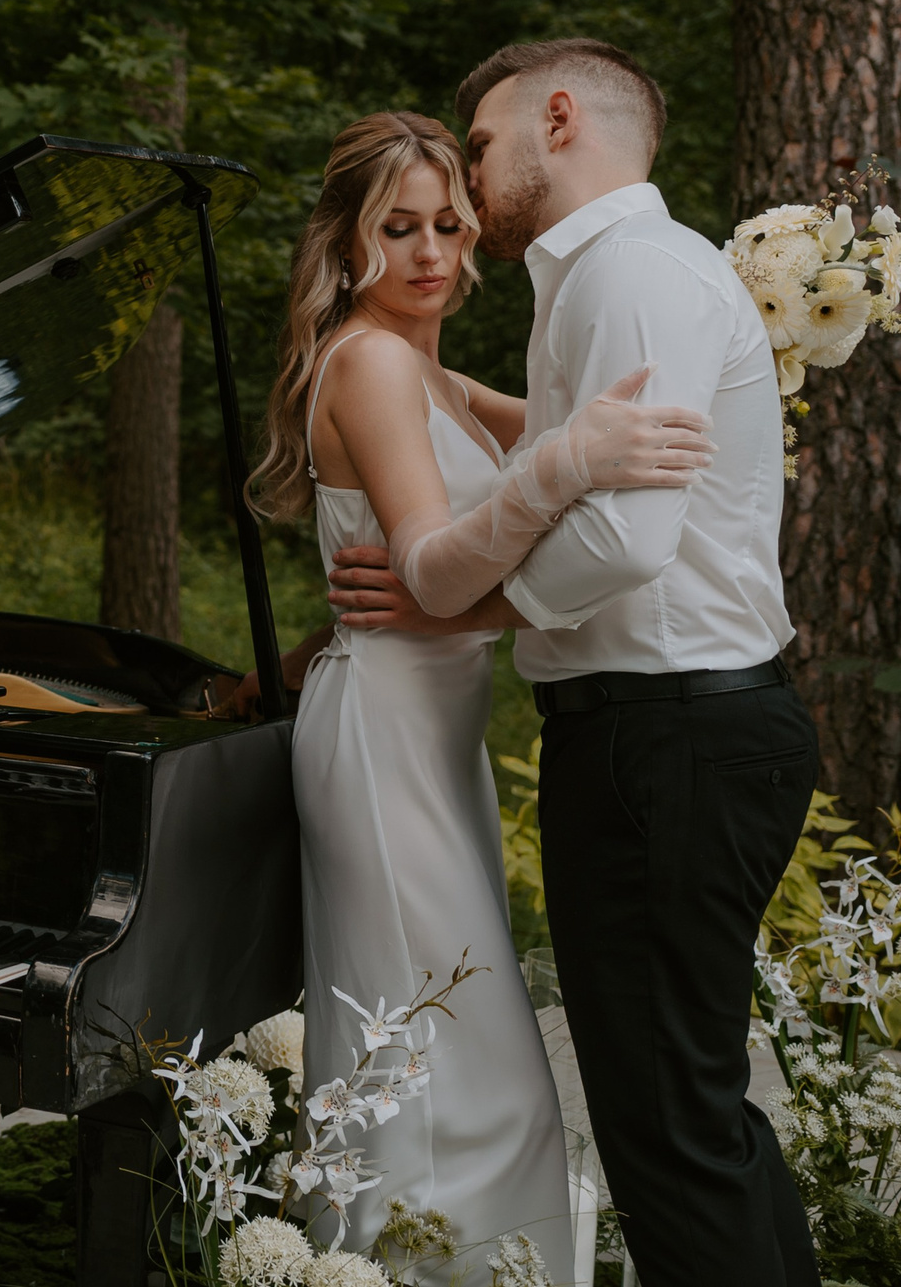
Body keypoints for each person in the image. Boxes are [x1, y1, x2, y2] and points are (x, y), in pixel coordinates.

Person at [323, 42, 818, 1287]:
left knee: (670, 1138)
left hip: (668, 741)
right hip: (672, 734)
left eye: (477, 149)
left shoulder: (624, 278)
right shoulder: (619, 277)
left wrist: (474, 611)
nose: (469, 189)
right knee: (693, 1123)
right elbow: (543, 465)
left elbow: (624, 537)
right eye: (411, 219)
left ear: (555, 117)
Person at [233, 107, 715, 1282]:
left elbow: (564, 437)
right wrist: (566, 461)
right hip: (383, 734)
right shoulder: (370, 361)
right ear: (346, 244)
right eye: (396, 229)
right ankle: (412, 1265)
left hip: (427, 728)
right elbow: (428, 565)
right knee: (448, 1052)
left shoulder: (433, 371)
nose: (433, 254)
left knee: (449, 1045)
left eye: (450, 224)